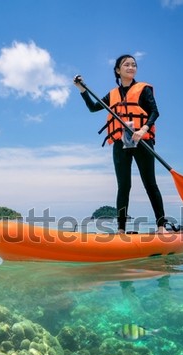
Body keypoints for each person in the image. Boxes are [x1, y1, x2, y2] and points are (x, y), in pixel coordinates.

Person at [73, 54, 168, 234]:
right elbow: (93, 108)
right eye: (126, 65)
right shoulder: (113, 94)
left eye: (134, 65)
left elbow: (155, 112)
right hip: (121, 143)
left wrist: (143, 130)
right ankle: (121, 230)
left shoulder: (143, 89)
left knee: (150, 183)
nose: (131, 67)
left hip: (142, 140)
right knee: (124, 186)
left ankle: (161, 226)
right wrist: (81, 89)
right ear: (118, 70)